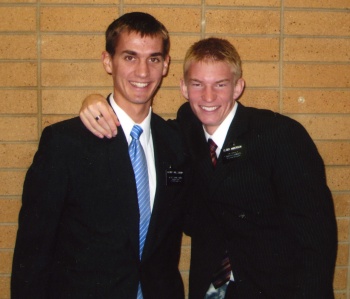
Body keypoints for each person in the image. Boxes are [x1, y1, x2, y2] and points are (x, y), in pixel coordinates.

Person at [79, 38, 337, 298]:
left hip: (274, 289)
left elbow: (317, 240)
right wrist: (93, 101)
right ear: (183, 87)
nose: (208, 97)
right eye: (197, 85)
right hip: (209, 290)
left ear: (238, 87)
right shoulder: (185, 130)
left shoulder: (280, 136)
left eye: (220, 85)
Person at [11, 12, 190, 299]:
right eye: (129, 57)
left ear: (166, 65)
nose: (143, 72)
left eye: (154, 58)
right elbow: (33, 250)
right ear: (108, 60)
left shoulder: (175, 142)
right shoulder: (66, 143)